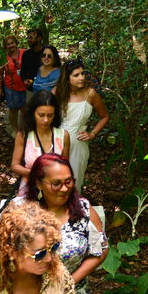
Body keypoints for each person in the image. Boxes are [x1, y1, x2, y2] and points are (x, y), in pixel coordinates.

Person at [16, 153, 108, 294]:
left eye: (68, 181)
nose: (65, 188)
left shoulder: (84, 210)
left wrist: (68, 283)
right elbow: (0, 252)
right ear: (38, 183)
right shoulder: (19, 210)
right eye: (56, 183)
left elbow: (101, 249)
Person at [55, 58, 109, 196]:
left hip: (79, 143)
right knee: (55, 179)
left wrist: (93, 133)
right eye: (76, 75)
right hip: (57, 140)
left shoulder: (90, 94)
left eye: (83, 73)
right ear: (67, 78)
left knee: (75, 179)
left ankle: (74, 211)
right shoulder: (57, 92)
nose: (82, 77)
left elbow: (105, 116)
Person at [11, 90, 70, 197]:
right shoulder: (24, 135)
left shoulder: (63, 136)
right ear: (33, 113)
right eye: (41, 115)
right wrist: (35, 174)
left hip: (55, 192)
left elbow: (66, 168)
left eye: (50, 115)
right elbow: (15, 165)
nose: (46, 120)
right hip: (28, 190)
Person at [0, 35, 27, 137]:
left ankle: (24, 129)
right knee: (13, 109)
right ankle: (15, 129)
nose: (10, 46)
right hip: (10, 87)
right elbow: (0, 73)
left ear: (16, 43)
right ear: (5, 46)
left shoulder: (24, 53)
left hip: (25, 87)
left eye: (12, 43)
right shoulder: (3, 57)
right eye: (8, 44)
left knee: (25, 109)